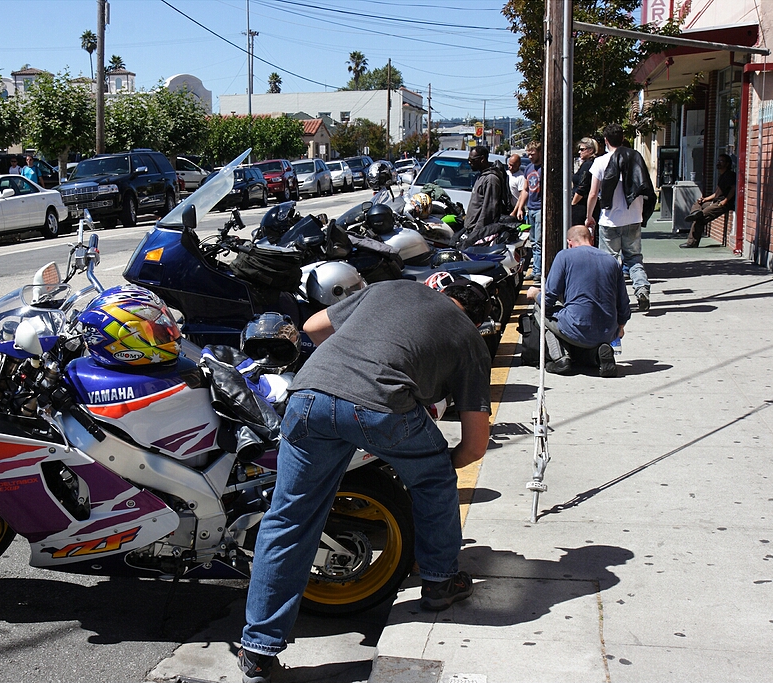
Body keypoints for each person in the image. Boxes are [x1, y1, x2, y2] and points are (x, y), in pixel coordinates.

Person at [238, 278, 492, 683]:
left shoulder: (391, 288)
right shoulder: (469, 339)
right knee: (434, 481)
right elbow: (475, 447)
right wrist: (434, 464)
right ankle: (440, 582)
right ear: (474, 317)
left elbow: (314, 327)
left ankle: (257, 651)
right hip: (382, 404)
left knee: (288, 520)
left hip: (308, 395)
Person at [526, 224, 631, 377]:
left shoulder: (564, 256)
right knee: (585, 331)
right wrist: (620, 327)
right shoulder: (612, 261)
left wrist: (535, 294)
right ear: (592, 239)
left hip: (577, 328)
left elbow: (548, 299)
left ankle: (560, 358)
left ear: (569, 243)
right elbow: (623, 304)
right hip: (608, 331)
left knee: (540, 309)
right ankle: (598, 355)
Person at [584, 124, 655, 312]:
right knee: (634, 258)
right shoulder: (636, 158)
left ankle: (612, 299)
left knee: (609, 262)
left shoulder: (600, 162)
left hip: (609, 219)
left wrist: (589, 216)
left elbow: (593, 194)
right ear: (622, 138)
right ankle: (641, 289)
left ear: (606, 141)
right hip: (633, 217)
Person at [681, 153, 736, 248]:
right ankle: (695, 212)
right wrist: (705, 199)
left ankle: (692, 243)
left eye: (721, 161)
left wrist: (725, 201)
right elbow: (717, 193)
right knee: (698, 203)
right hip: (715, 201)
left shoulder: (729, 175)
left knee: (699, 219)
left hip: (721, 204)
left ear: (727, 164)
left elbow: (734, 188)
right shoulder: (722, 175)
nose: (719, 163)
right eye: (718, 161)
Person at [457, 144, 505, 246]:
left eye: (472, 160)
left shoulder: (491, 179)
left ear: (482, 159)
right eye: (469, 159)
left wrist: (475, 235)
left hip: (479, 235)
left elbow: (488, 211)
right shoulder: (482, 176)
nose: (469, 162)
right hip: (470, 230)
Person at [517, 141, 543, 283]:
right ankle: (536, 270)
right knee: (532, 241)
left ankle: (538, 271)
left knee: (538, 241)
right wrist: (521, 207)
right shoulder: (528, 168)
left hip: (540, 208)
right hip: (531, 208)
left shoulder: (543, 169)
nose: (530, 156)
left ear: (539, 152)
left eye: (533, 153)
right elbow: (526, 189)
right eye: (528, 154)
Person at [571, 138, 598, 227]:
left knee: (579, 234)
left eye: (582, 149)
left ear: (590, 150)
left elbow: (582, 187)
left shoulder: (587, 165)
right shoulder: (593, 163)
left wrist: (573, 203)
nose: (579, 152)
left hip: (581, 206)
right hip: (588, 205)